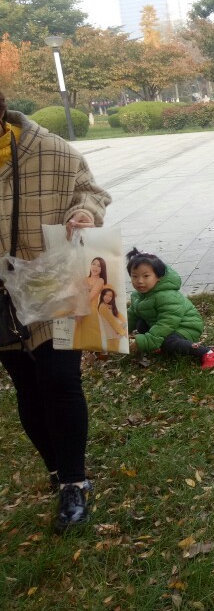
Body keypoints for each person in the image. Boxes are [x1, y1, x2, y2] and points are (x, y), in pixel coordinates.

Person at [0, 89, 111, 533]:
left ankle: (73, 482)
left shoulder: (48, 148)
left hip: (52, 281)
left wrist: (84, 212)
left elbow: (91, 191)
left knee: (60, 380)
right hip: (2, 296)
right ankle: (56, 468)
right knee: (26, 385)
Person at [126, 248, 214, 370]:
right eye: (134, 276)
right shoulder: (138, 295)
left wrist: (145, 341)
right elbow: (133, 314)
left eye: (146, 276)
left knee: (169, 342)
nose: (139, 281)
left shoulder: (167, 296)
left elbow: (166, 323)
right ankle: (160, 345)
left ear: (159, 276)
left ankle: (208, 352)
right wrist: (120, 331)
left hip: (186, 326)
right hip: (166, 325)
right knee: (141, 324)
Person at [73, 256, 108, 349]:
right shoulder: (84, 279)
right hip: (80, 310)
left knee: (90, 340)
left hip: (91, 312)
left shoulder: (100, 280)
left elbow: (90, 297)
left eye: (99, 266)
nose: (95, 267)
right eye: (93, 264)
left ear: (102, 269)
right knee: (78, 342)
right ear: (90, 265)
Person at [96, 287, 128, 353]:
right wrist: (124, 333)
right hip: (111, 336)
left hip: (116, 334)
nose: (108, 298)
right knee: (113, 354)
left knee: (116, 354)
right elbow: (112, 321)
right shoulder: (102, 306)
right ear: (102, 295)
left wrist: (124, 328)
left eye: (110, 296)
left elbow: (123, 318)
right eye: (106, 295)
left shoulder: (110, 306)